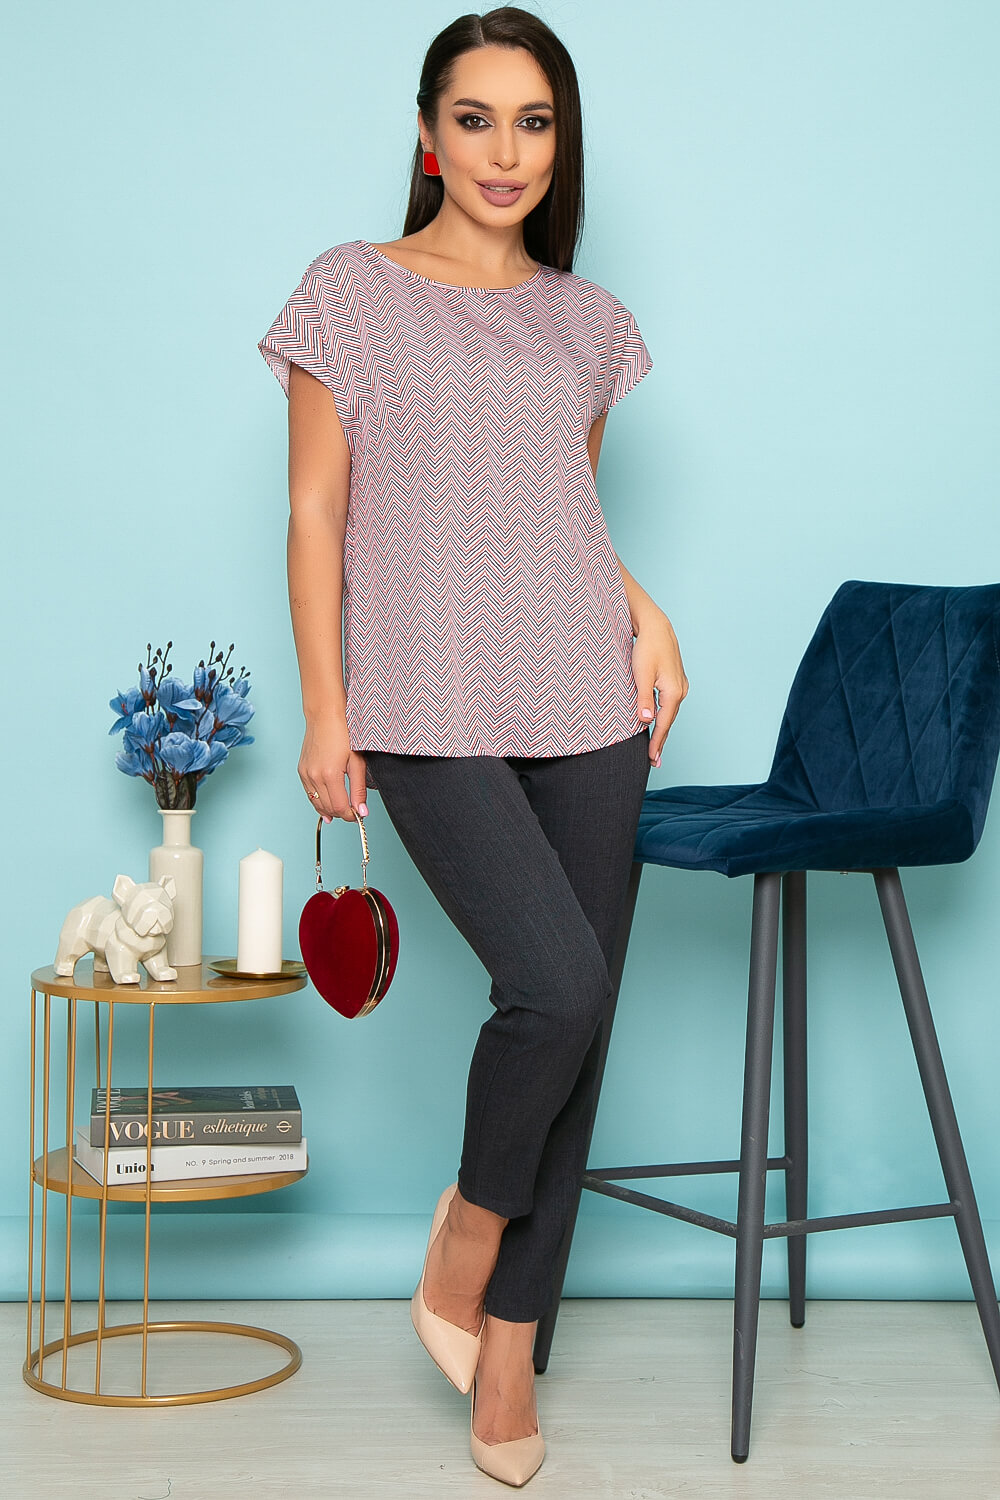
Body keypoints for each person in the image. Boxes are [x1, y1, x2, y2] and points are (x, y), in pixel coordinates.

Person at [259, 6, 687, 1486]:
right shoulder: (349, 292)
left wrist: (646, 613)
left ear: (561, 144)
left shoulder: (587, 322)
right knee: (553, 989)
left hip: (589, 701)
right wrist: (327, 710)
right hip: (423, 698)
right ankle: (469, 1228)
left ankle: (509, 1343)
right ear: (429, 137)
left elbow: (555, 515)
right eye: (478, 117)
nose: (507, 150)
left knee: (588, 1020)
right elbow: (317, 510)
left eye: (535, 121)